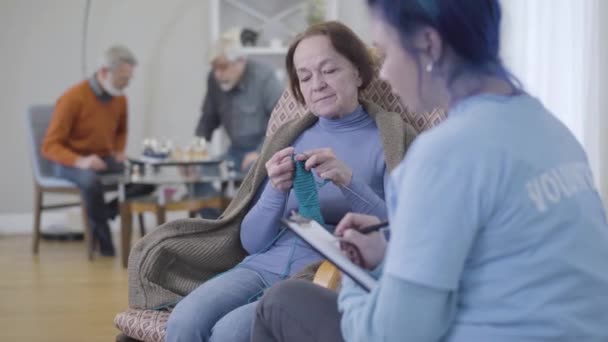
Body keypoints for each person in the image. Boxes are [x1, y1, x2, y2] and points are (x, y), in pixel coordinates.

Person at [252, 1, 608, 341]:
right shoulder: (551, 130)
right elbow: (500, 255)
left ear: (428, 44)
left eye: (386, 53)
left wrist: (355, 270)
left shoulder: (443, 154)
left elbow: (390, 334)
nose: (385, 74)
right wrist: (389, 255)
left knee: (280, 303)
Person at [165, 21, 411, 342]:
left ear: (359, 74)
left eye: (329, 71)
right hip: (263, 264)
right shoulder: (292, 137)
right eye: (305, 77)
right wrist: (276, 191)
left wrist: (349, 181)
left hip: (319, 276)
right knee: (183, 321)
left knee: (228, 333)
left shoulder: (391, 139)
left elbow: (404, 234)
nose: (317, 84)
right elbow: (252, 242)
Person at [42, 45, 144, 256]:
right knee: (90, 181)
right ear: (104, 72)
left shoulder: (120, 97)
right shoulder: (72, 98)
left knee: (143, 176)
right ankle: (105, 246)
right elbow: (50, 146)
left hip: (103, 158)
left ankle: (103, 214)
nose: (126, 84)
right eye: (122, 78)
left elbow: (121, 130)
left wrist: (117, 150)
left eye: (129, 79)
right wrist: (81, 161)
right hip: (68, 162)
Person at [195, 29, 283, 173]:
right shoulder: (214, 79)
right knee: (201, 170)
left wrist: (261, 152)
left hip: (264, 151)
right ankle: (216, 197)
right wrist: (197, 150)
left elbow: (282, 122)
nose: (218, 74)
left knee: (253, 172)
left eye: (223, 67)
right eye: (214, 68)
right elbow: (208, 119)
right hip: (234, 152)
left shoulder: (264, 77)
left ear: (240, 61)